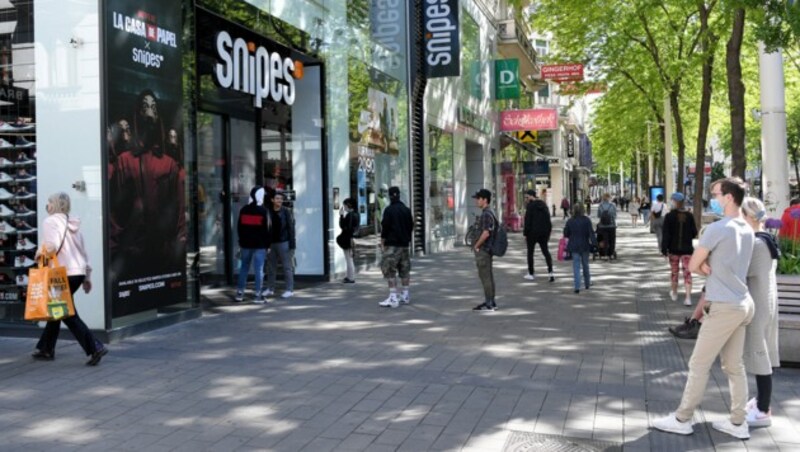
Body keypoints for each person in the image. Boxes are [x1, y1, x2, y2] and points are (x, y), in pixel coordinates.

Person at [653, 177, 755, 440]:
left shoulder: (718, 229)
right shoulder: (746, 228)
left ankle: (682, 418)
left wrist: (704, 267)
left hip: (722, 306)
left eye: (716, 193)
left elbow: (692, 265)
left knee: (699, 363)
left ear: (729, 197)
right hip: (743, 303)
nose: (714, 198)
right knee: (734, 366)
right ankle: (738, 421)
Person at [31, 192, 108, 366]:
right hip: (77, 273)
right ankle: (45, 348)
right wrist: (87, 277)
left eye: (49, 202)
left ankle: (95, 346)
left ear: (55, 205)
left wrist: (38, 254)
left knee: (65, 312)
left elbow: (52, 246)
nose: (47, 205)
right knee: (57, 310)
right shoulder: (73, 224)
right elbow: (83, 252)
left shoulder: (50, 221)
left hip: (61, 274)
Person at [740, 197, 780, 428]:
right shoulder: (767, 239)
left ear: (748, 217)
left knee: (759, 352)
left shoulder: (756, 244)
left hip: (758, 304)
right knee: (762, 350)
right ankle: (760, 402)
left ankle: (764, 408)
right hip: (768, 300)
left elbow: (741, 271)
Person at [235, 186, 271, 303]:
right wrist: (267, 245)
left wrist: (240, 241)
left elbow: (239, 228)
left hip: (245, 244)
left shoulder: (244, 209)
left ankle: (239, 293)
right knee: (259, 270)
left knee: (244, 268)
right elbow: (267, 230)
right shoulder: (263, 211)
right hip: (260, 245)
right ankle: (257, 295)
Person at [378, 186, 413, 308]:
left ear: (389, 196)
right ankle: (405, 295)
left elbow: (385, 227)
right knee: (404, 270)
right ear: (399, 195)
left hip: (392, 245)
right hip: (404, 245)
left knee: (390, 270)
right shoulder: (406, 210)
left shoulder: (389, 210)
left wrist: (382, 241)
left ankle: (393, 297)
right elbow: (411, 226)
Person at [661, 192, 698, 306]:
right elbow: (694, 233)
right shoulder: (689, 216)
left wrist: (664, 249)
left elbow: (666, 234)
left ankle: (674, 293)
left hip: (673, 249)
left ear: (674, 201)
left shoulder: (669, 216)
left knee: (674, 272)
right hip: (687, 249)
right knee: (687, 272)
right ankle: (688, 297)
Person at [265, 190, 296, 299]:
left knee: (287, 267)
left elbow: (291, 228)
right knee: (270, 267)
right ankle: (270, 289)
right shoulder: (268, 211)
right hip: (271, 243)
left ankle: (289, 290)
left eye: (281, 199)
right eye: (277, 199)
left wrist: (292, 244)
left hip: (284, 242)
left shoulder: (286, 211)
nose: (280, 201)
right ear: (272, 200)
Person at [471, 189, 498, 311]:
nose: (477, 201)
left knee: (485, 276)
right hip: (487, 250)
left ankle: (489, 303)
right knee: (488, 276)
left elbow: (486, 233)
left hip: (484, 250)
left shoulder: (486, 214)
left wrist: (476, 245)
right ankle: (491, 301)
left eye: (479, 198)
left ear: (485, 200)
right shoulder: (489, 213)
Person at [563, 204, 596, 294]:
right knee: (585, 265)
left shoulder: (570, 221)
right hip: (585, 245)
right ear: (583, 210)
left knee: (576, 266)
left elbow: (566, 234)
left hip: (574, 245)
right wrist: (594, 244)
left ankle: (577, 287)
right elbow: (591, 233)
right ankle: (587, 283)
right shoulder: (587, 220)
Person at [523, 189, 554, 282]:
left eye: (527, 197)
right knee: (546, 252)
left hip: (532, 233)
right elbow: (548, 220)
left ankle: (531, 273)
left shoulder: (530, 206)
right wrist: (548, 232)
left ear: (531, 196)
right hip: (543, 233)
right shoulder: (544, 205)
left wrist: (525, 233)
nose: (526, 199)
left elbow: (527, 221)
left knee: (530, 253)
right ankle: (551, 272)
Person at [338, 198, 359, 283]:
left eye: (345, 205)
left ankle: (351, 278)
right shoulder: (356, 214)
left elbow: (344, 226)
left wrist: (341, 216)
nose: (344, 207)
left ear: (349, 205)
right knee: (350, 258)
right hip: (352, 238)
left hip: (348, 238)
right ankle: (349, 276)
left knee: (349, 259)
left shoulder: (350, 215)